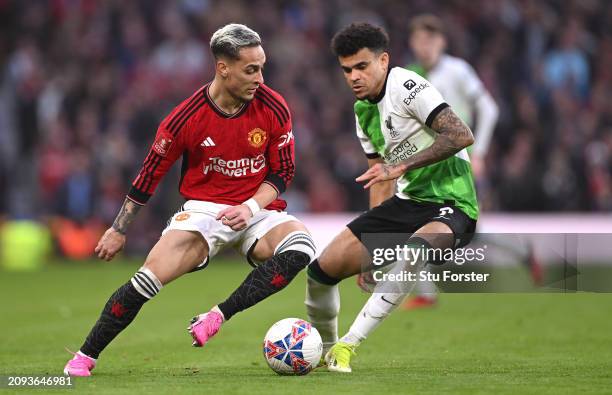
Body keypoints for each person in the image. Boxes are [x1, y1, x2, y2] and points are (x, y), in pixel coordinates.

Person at [63, 24, 316, 377]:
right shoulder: (184, 118)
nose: (260, 78)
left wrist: (250, 207)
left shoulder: (273, 106)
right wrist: (118, 229)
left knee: (302, 248)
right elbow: (148, 175)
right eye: (250, 69)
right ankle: (85, 356)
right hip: (204, 210)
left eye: (262, 67)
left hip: (256, 208)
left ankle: (218, 315)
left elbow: (282, 172)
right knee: (148, 279)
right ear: (223, 68)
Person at [304, 22, 478, 373]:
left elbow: (461, 134)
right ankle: (324, 350)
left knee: (414, 252)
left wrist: (403, 166)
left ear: (383, 60)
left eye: (362, 66)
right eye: (347, 70)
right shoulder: (362, 111)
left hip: (453, 204)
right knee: (320, 272)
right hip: (407, 204)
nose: (353, 76)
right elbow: (378, 179)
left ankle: (348, 346)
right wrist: (374, 249)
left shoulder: (408, 86)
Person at [401, 14, 500, 309]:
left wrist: (479, 152)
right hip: (431, 163)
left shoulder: (457, 70)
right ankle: (426, 293)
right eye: (420, 39)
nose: (425, 45)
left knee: (463, 231)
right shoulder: (412, 75)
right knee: (426, 223)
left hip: (459, 161)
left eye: (431, 39)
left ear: (442, 42)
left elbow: (489, 108)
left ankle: (522, 251)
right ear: (412, 43)